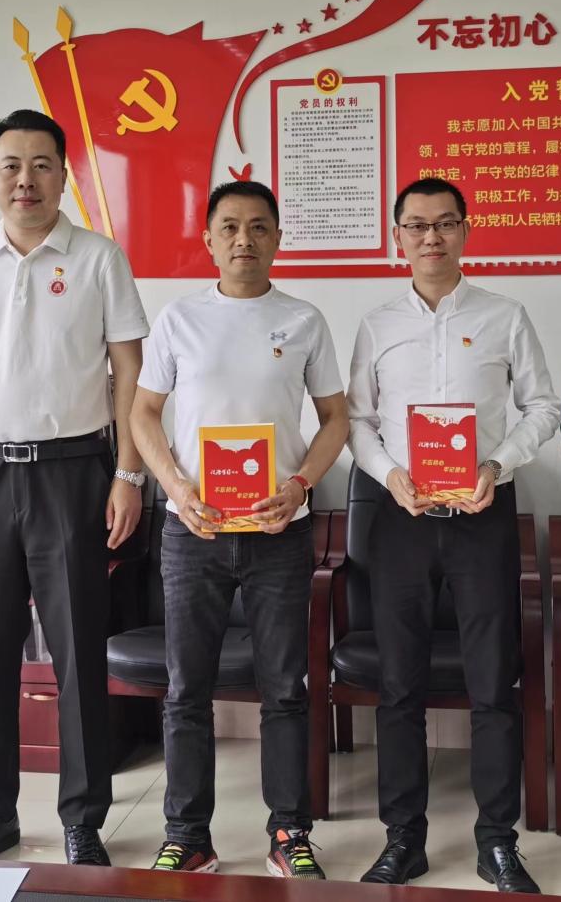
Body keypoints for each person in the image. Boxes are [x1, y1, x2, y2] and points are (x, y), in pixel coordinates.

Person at [0, 109, 149, 865]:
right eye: (11, 166)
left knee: (78, 650)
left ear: (64, 175)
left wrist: (128, 473)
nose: (27, 179)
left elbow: (128, 370)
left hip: (74, 473)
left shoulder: (99, 258)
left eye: (43, 164)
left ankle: (83, 818)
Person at [347, 177, 559, 894]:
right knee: (399, 687)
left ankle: (497, 841)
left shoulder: (505, 315)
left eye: (444, 223)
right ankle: (403, 838)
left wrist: (497, 464)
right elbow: (358, 419)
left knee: (493, 684)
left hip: (482, 517)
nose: (430, 237)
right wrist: (388, 474)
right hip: (401, 520)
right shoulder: (377, 324)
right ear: (397, 237)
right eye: (416, 225)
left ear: (466, 230)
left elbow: (542, 406)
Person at [130, 180, 348, 878]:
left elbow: (336, 418)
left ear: (278, 238)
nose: (243, 239)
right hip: (192, 530)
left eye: (258, 227)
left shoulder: (304, 320)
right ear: (209, 239)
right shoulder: (179, 319)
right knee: (185, 691)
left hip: (278, 531)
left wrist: (299, 485)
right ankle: (188, 834)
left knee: (284, 688)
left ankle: (289, 832)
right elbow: (142, 413)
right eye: (229, 227)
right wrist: (175, 488)